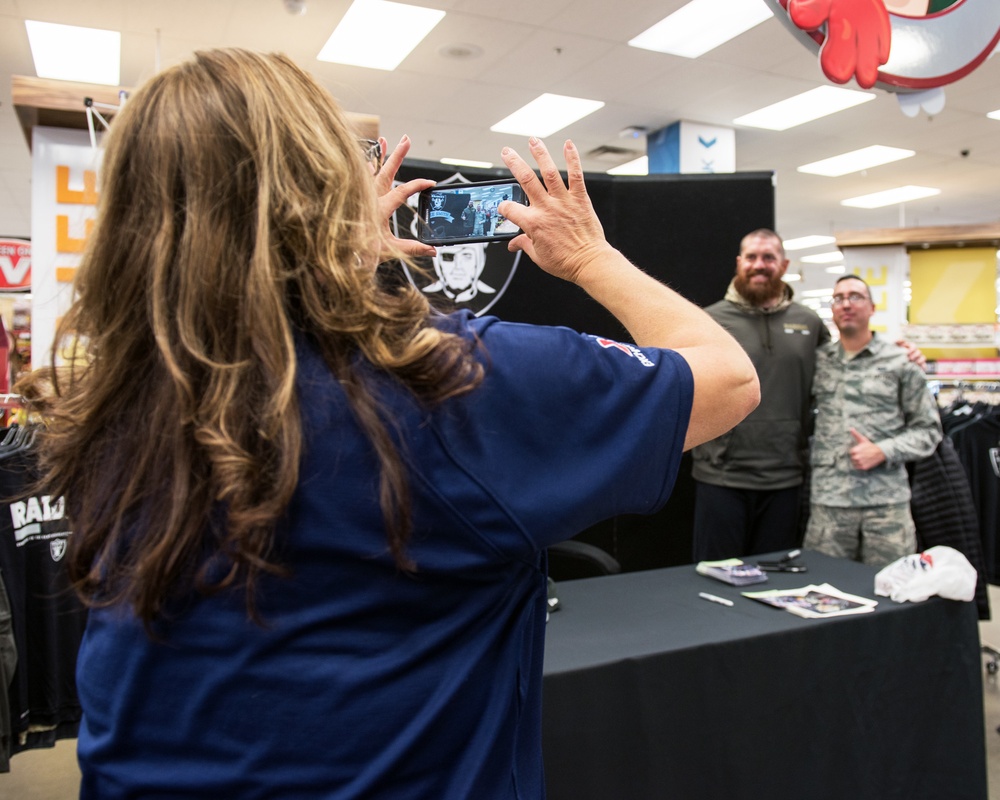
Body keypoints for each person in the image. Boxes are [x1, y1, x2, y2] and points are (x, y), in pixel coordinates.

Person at [17, 49, 758, 799]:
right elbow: (728, 378)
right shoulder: (447, 381)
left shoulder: (105, 405)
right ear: (322, 188)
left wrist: (333, 256)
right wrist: (591, 259)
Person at [690, 229, 830, 561]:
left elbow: (844, 373)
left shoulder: (809, 323)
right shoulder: (709, 319)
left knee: (773, 585)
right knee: (715, 580)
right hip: (721, 477)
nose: (759, 265)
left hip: (785, 478)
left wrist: (900, 353)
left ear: (783, 264)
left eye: (768, 257)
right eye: (751, 257)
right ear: (739, 263)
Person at [803, 276, 942, 567]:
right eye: (839, 298)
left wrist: (883, 450)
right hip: (830, 506)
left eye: (855, 297)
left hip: (886, 506)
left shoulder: (900, 362)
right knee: (824, 593)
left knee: (892, 592)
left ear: (872, 307)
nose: (846, 304)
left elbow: (929, 431)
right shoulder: (817, 362)